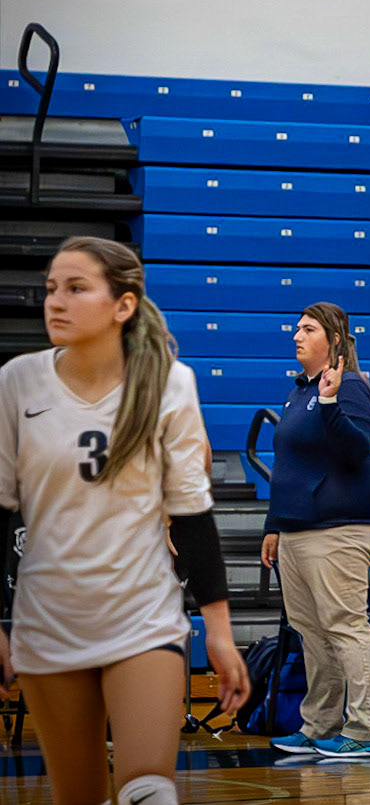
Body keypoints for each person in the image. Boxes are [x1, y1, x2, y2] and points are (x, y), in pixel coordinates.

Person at [0, 237, 249, 805]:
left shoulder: (169, 382)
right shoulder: (17, 382)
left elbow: (193, 517)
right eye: (51, 289)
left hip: (143, 618)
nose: (55, 301)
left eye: (76, 288)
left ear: (123, 305)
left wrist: (219, 632)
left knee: (149, 791)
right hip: (49, 623)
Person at [261, 302, 370, 759]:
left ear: (334, 339)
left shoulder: (350, 386)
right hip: (296, 528)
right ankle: (320, 725)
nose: (296, 335)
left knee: (344, 625)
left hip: (338, 528)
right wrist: (274, 525)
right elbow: (289, 465)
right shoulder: (298, 392)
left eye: (308, 329)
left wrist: (331, 403)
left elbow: (358, 449)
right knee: (310, 630)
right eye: (296, 328)